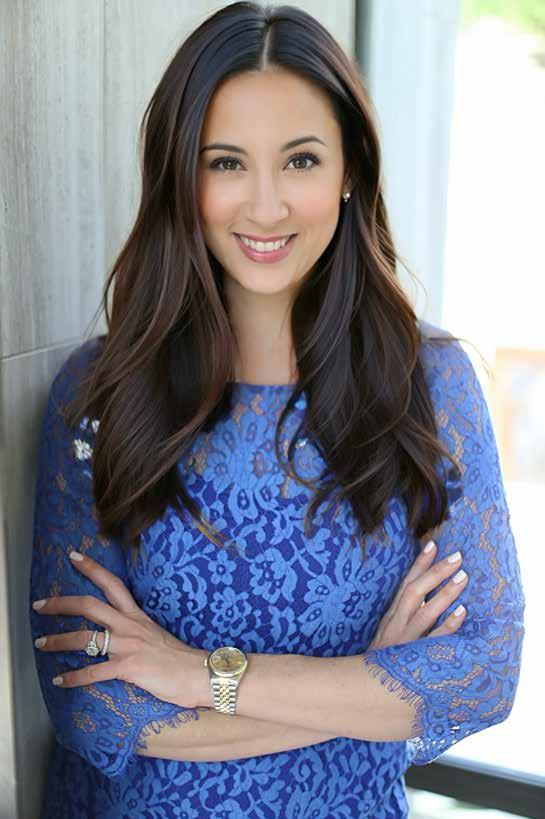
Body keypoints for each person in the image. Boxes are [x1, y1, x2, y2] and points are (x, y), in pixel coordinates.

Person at [29, 3, 526, 817]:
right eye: (226, 163)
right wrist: (365, 683)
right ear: (181, 177)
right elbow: (96, 710)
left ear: (349, 169)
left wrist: (198, 674)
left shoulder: (428, 385)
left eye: (299, 160)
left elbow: (480, 673)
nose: (265, 207)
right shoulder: (100, 395)